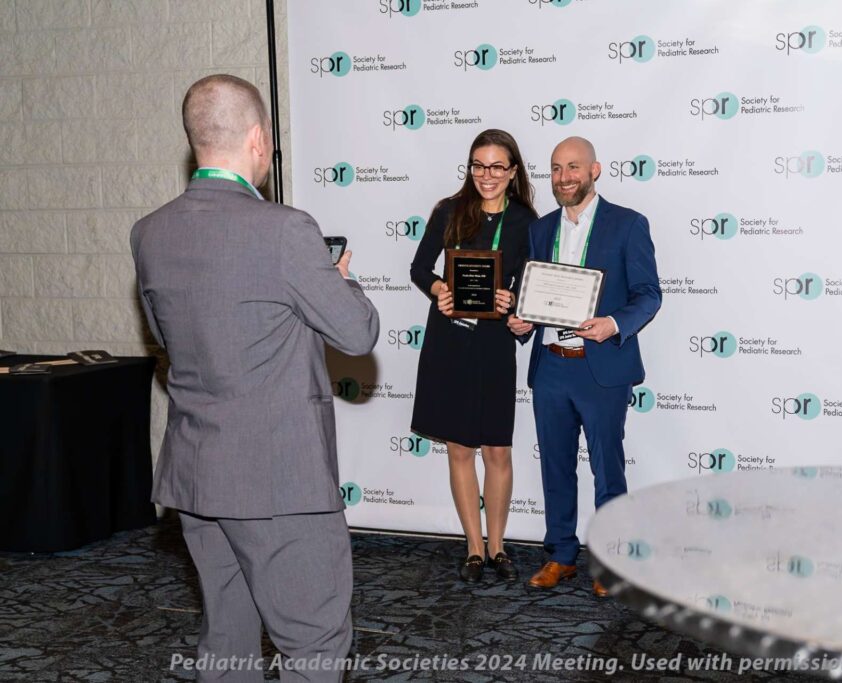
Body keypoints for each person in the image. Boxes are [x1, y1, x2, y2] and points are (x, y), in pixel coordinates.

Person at [131, 74, 379, 681]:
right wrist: (338, 276)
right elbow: (358, 335)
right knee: (313, 646)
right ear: (259, 140)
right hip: (278, 482)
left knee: (227, 644)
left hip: (196, 475)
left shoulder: (150, 232)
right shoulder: (286, 230)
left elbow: (168, 341)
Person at [507, 136, 661, 597]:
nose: (564, 177)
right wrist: (521, 320)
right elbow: (535, 294)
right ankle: (561, 555)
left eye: (573, 167)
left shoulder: (628, 224)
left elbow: (649, 294)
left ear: (595, 170)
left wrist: (614, 323)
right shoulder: (541, 229)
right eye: (555, 169)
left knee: (607, 468)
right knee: (555, 466)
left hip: (601, 368)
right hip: (551, 366)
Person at [410, 129, 538, 583]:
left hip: (494, 343)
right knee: (460, 448)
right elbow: (419, 268)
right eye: (478, 166)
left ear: (513, 171)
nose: (487, 176)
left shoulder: (526, 221)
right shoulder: (449, 211)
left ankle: (500, 547)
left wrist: (514, 302)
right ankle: (474, 548)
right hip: (450, 340)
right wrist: (439, 288)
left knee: (497, 449)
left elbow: (532, 283)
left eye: (497, 167)